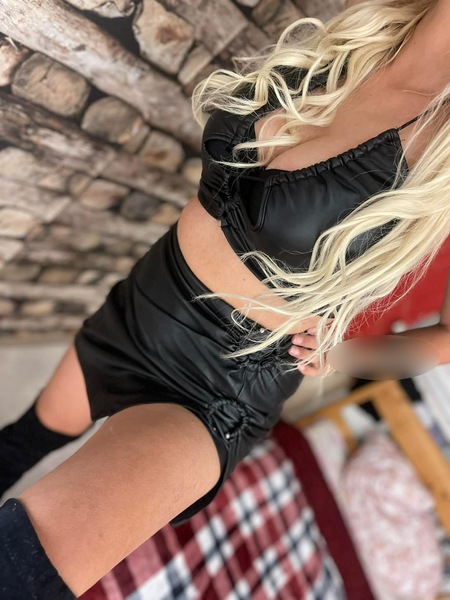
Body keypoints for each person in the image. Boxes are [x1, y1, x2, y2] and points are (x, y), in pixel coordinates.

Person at [1, 0, 450, 597]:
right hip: (147, 303)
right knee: (24, 439)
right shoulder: (368, 33)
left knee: (17, 568)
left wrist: (350, 356)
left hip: (219, 387)